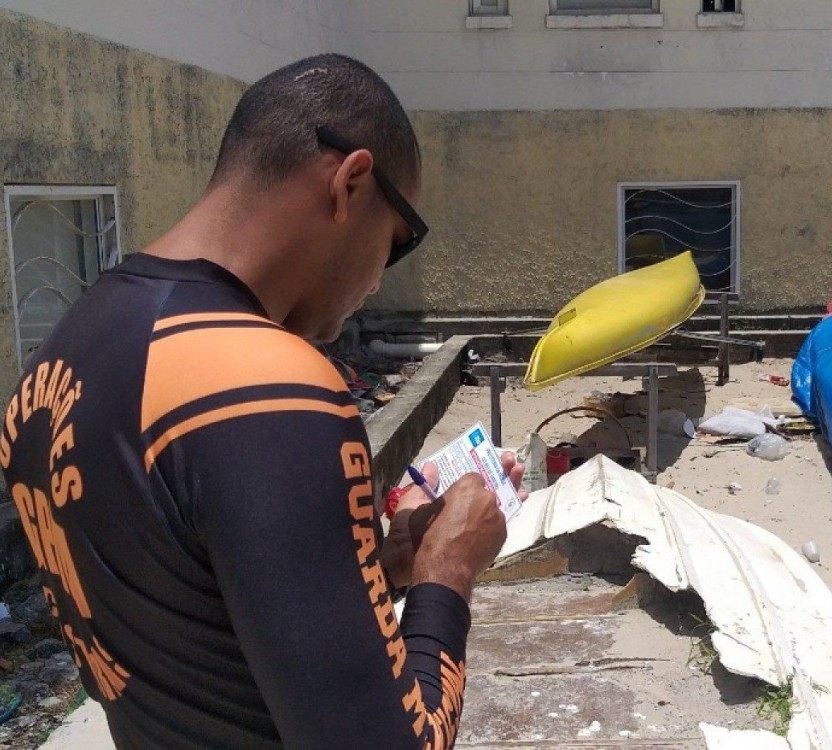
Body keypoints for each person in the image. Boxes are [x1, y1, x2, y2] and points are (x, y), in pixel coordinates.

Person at [0, 54, 519, 748]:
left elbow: (195, 620)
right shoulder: (270, 388)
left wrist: (381, 567)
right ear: (351, 183)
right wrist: (450, 567)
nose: (376, 282)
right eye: (397, 244)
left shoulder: (65, 349)